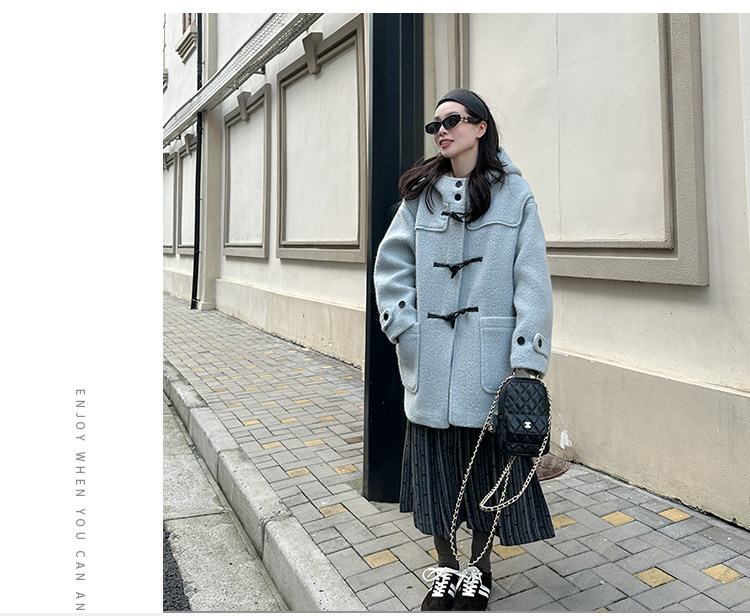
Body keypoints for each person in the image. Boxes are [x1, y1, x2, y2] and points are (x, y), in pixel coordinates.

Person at [373, 88, 555, 611]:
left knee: (486, 477)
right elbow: (391, 266)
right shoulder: (421, 196)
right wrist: (406, 328)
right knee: (435, 478)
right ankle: (446, 570)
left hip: (489, 362)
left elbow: (532, 280)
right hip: (429, 362)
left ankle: (480, 569)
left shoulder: (515, 196)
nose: (441, 132)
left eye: (451, 121)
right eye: (435, 125)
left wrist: (526, 360)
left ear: (480, 127)